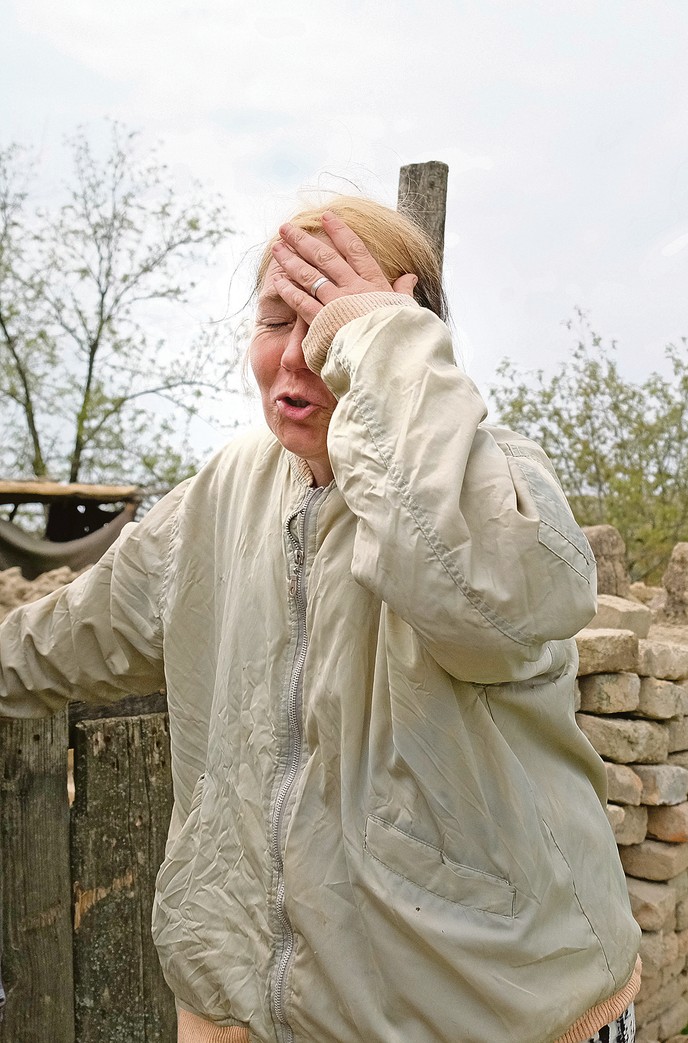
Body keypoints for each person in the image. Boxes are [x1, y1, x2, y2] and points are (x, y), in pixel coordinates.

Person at [0, 195, 641, 1043]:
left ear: (404, 339)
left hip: (490, 1017)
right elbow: (63, 639)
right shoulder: (222, 495)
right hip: (240, 1019)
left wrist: (380, 340)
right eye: (275, 319)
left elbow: (493, 598)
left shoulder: (497, 482)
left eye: (331, 325)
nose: (296, 355)